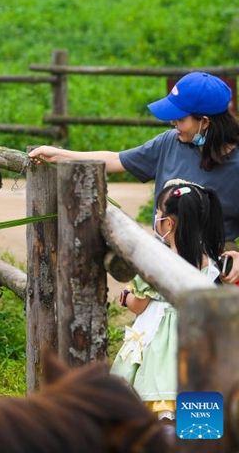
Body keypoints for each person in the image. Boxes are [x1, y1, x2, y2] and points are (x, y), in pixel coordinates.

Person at [28, 71, 239, 282]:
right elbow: (117, 160)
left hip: (214, 272)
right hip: (165, 261)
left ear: (205, 122)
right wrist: (59, 154)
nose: (173, 123)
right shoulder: (169, 142)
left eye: (181, 118)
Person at [111, 180, 224, 429]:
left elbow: (139, 304)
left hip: (159, 353)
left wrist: (126, 296)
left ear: (168, 224)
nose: (156, 218)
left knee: (156, 417)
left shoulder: (156, 262)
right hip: (199, 354)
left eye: (158, 214)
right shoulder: (210, 265)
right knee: (199, 424)